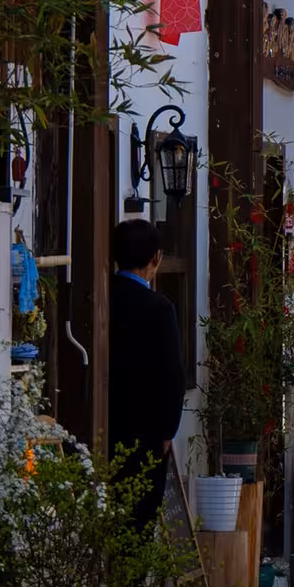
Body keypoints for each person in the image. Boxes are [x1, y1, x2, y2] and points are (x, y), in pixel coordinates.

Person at [108, 218, 187, 531]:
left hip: (105, 425)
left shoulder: (100, 299)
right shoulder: (159, 307)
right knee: (138, 522)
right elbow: (173, 375)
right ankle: (131, 583)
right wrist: (167, 430)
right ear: (156, 258)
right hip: (147, 433)